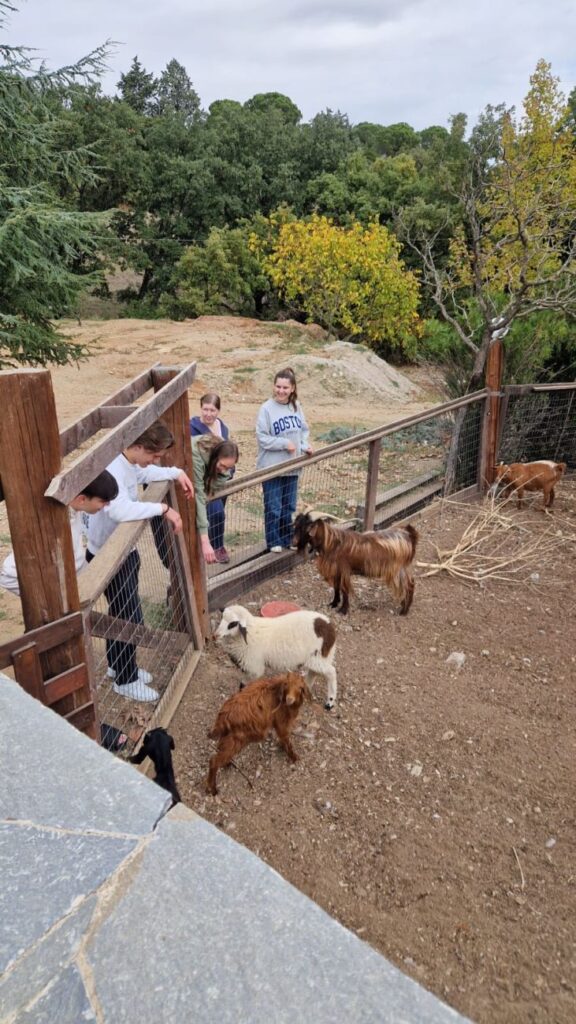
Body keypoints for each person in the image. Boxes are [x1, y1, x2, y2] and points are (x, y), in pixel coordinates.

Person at [86, 421, 194, 703]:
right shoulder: (113, 468)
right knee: (129, 618)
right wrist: (163, 508)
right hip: (110, 555)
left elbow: (145, 471)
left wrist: (175, 472)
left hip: (123, 551)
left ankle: (117, 665)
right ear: (137, 446)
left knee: (120, 612)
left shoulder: (127, 462)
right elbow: (119, 510)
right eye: (153, 454)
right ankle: (126, 679)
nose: (155, 461)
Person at [0, 470, 119, 595]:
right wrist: (52, 595)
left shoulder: (76, 510)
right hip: (63, 595)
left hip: (76, 585)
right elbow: (9, 576)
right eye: (103, 501)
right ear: (82, 499)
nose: (107, 505)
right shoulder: (52, 528)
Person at [256, 367, 312, 552]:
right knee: (274, 507)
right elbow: (262, 437)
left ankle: (287, 538)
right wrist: (283, 443)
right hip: (272, 467)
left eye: (285, 387)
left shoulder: (296, 407)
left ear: (292, 388)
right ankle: (274, 541)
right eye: (278, 387)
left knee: (288, 506)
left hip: (292, 466)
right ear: (273, 386)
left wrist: (304, 446)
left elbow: (303, 431)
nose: (281, 391)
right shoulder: (266, 409)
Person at [190, 392, 235, 561]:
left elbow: (227, 455)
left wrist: (226, 472)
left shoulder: (222, 427)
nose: (208, 414)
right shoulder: (192, 427)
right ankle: (212, 545)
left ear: (218, 411)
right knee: (216, 512)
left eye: (212, 410)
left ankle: (216, 543)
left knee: (218, 513)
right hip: (203, 478)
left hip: (219, 477)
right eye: (205, 409)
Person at [192, 435, 239, 564]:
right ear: (215, 456)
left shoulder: (219, 460)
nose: (223, 470)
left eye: (227, 468)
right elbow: (200, 494)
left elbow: (224, 477)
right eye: (222, 465)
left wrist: (214, 480)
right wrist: (205, 542)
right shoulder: (197, 457)